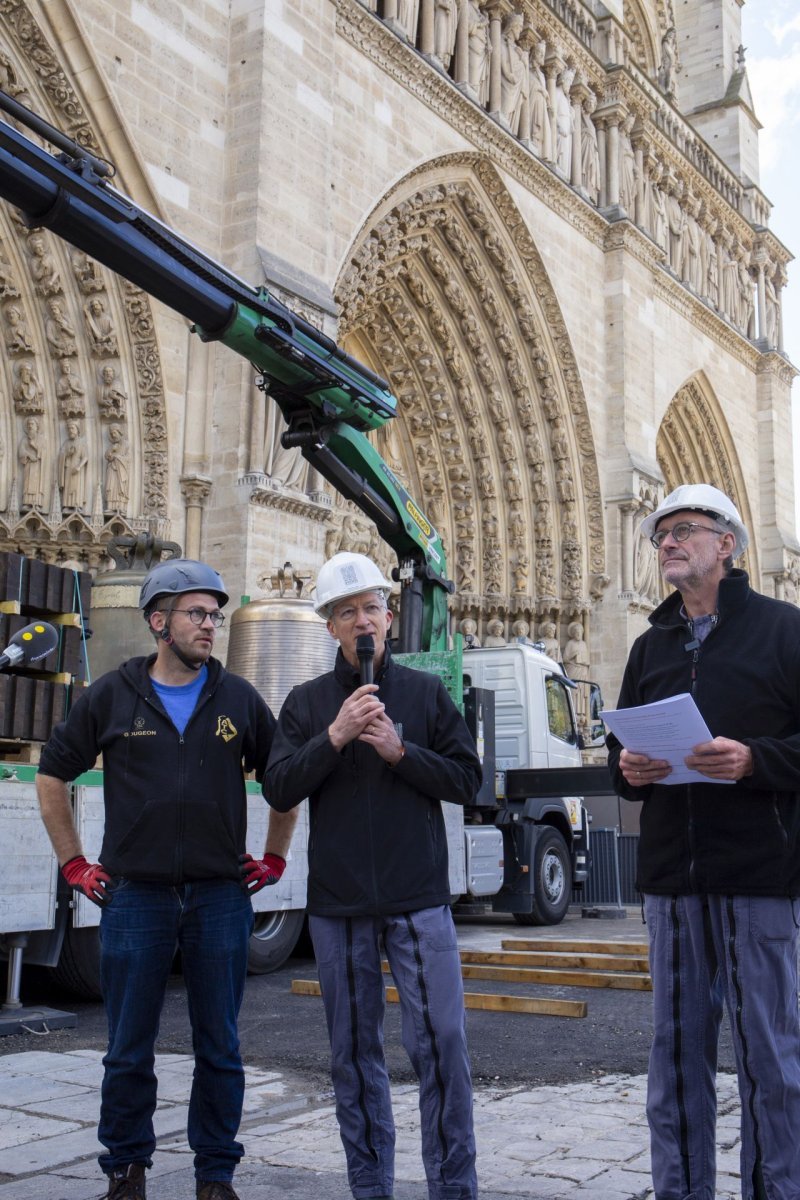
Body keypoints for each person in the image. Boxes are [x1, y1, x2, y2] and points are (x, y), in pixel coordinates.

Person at [36, 558, 298, 1200]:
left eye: (216, 615)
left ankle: (215, 1177)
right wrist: (74, 863)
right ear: (159, 622)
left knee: (221, 1046)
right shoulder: (113, 695)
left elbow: (284, 782)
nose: (211, 625)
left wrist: (274, 859)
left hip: (218, 898)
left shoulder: (238, 698)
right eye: (197, 613)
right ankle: (126, 1172)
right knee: (128, 1047)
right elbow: (50, 776)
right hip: (136, 897)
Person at [265, 551, 481, 1200]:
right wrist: (333, 737)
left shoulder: (424, 693)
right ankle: (370, 1188)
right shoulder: (305, 705)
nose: (364, 622)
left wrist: (399, 752)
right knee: (354, 1058)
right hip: (341, 906)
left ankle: (454, 1188)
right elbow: (278, 787)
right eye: (348, 612)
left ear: (389, 618)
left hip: (418, 900)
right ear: (331, 626)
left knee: (442, 1045)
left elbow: (468, 781)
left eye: (373, 608)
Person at [606, 483, 800, 1200]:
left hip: (758, 878)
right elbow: (620, 766)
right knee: (675, 1060)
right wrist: (628, 768)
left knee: (770, 1061)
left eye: (685, 529)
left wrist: (756, 760)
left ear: (727, 544)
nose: (668, 541)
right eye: (661, 533)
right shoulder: (646, 646)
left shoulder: (785, 631)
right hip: (671, 884)